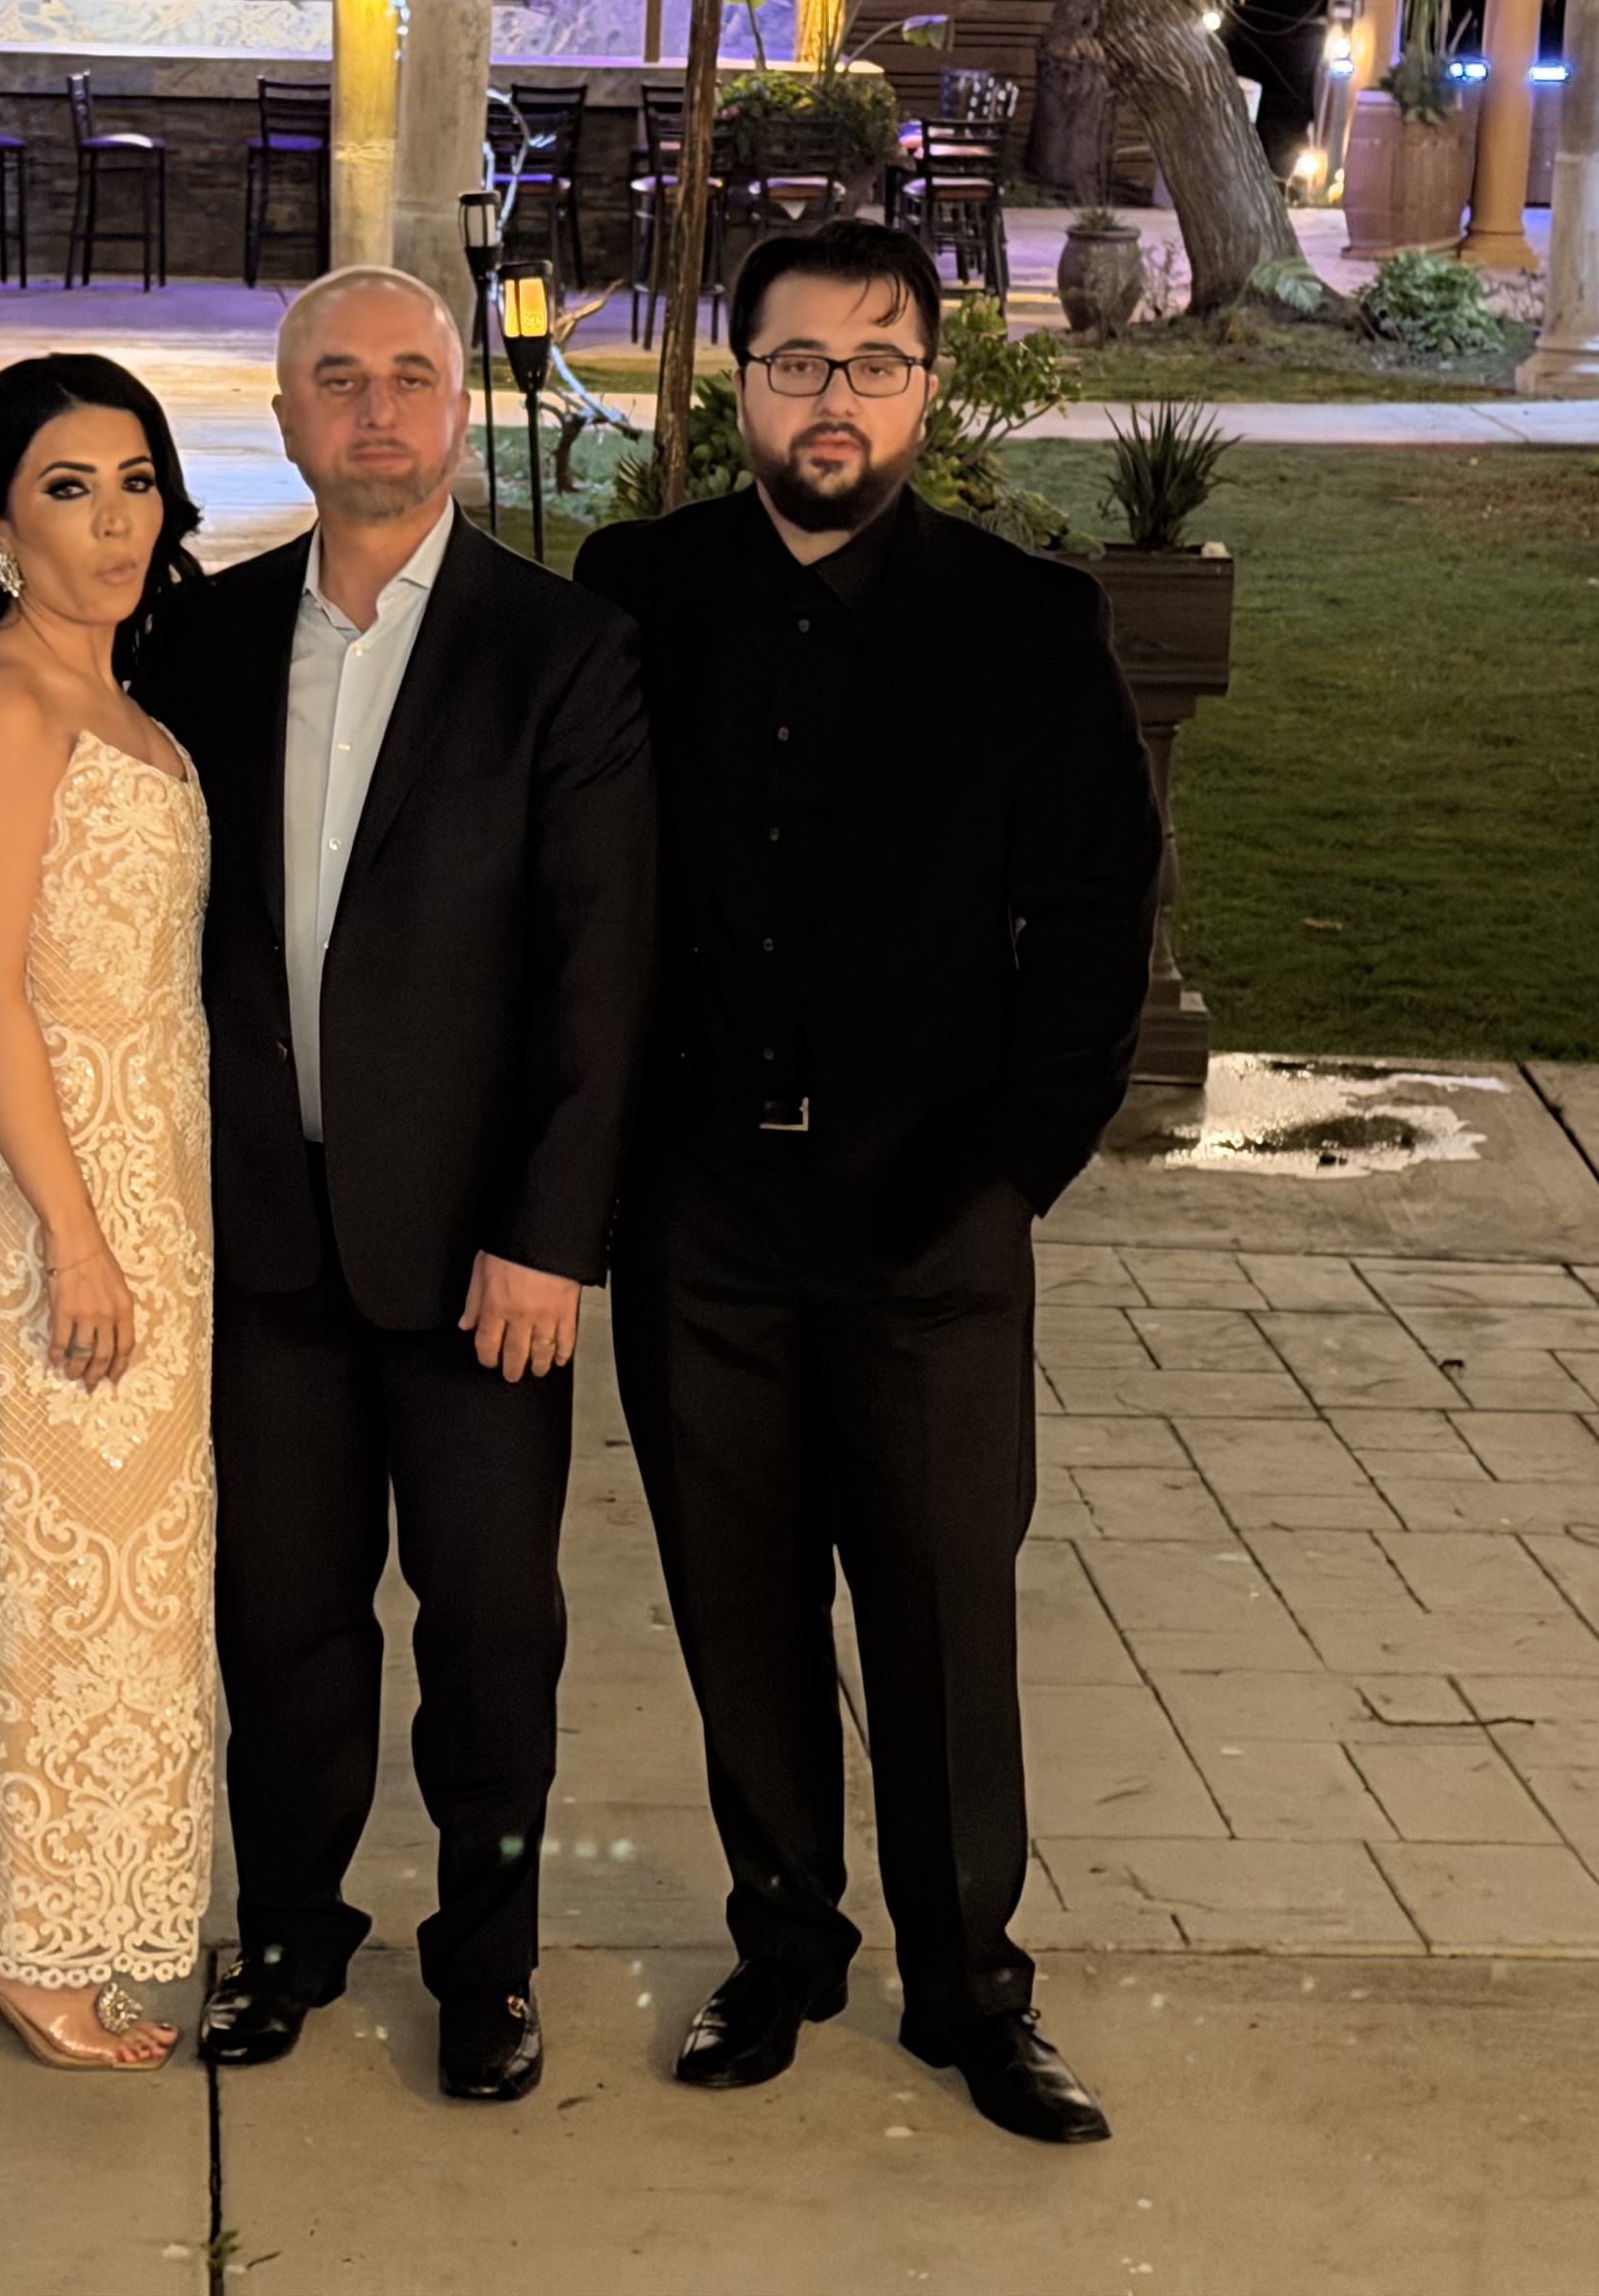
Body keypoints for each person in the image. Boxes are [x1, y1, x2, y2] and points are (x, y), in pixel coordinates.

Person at [572, 216, 1165, 2146]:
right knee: (737, 1606)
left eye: (877, 362)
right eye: (800, 363)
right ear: (740, 382)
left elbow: (1097, 927)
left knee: (939, 1615)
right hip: (703, 1217)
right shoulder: (637, 593)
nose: (837, 399)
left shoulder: (1028, 619)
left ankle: (972, 1988)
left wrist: (1006, 1180)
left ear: (928, 385)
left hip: (931, 1214)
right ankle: (782, 1945)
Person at [132, 263, 657, 2105]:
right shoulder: (199, 642)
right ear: (284, 418)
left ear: (457, 406)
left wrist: (551, 1236)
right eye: (337, 380)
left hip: (477, 1255)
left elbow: (600, 978)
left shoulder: (561, 651)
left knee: (492, 1630)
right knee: (282, 1622)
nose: (375, 411)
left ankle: (488, 1965)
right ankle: (288, 1934)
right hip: (261, 1236)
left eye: (409, 378)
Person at [0, 355, 216, 2071]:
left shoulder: (127, 701)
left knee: (127, 1582)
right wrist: (77, 1239)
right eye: (68, 489)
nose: (113, 521)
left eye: (136, 481)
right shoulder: (2, 702)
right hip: (38, 1202)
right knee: (40, 1576)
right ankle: (11, 1932)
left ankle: (13, 1899)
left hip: (153, 1184)